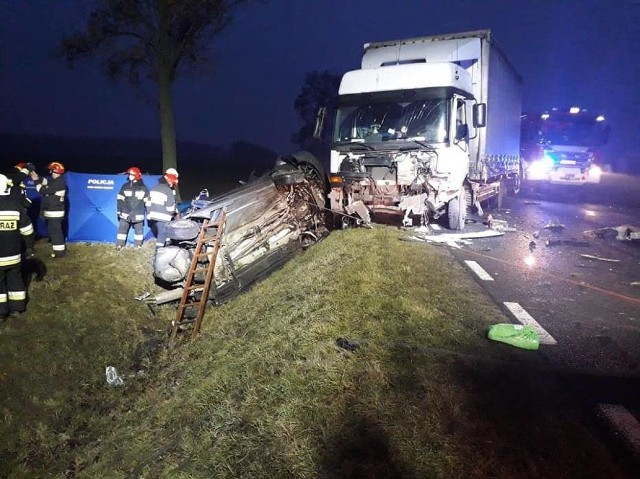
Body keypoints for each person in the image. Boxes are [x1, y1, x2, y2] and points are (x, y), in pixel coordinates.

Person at [0, 174, 35, 322]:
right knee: (15, 279)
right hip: (14, 255)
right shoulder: (16, 206)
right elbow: (27, 230)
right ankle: (17, 308)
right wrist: (29, 248)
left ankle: (1, 313)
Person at [31, 161, 67, 258]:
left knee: (56, 232)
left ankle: (60, 252)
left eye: (51, 171)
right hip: (52, 212)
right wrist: (37, 177)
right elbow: (46, 181)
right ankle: (57, 250)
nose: (50, 173)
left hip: (55, 212)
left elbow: (42, 190)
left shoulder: (59, 183)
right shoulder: (56, 181)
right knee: (53, 231)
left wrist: (35, 180)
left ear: (56, 171)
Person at [116, 166, 149, 250]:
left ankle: (138, 246)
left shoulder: (143, 188)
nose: (129, 176)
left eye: (131, 175)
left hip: (138, 213)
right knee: (122, 229)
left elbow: (148, 202)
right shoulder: (125, 186)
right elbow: (120, 199)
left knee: (139, 231)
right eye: (129, 175)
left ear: (136, 175)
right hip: (125, 213)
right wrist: (119, 210)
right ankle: (120, 245)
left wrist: (149, 213)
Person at [146, 170, 179, 250]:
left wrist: (149, 213)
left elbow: (147, 203)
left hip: (152, 216)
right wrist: (175, 212)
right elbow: (170, 208)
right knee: (162, 234)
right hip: (163, 216)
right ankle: (159, 252)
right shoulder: (168, 190)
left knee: (163, 233)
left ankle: (167, 246)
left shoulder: (153, 188)